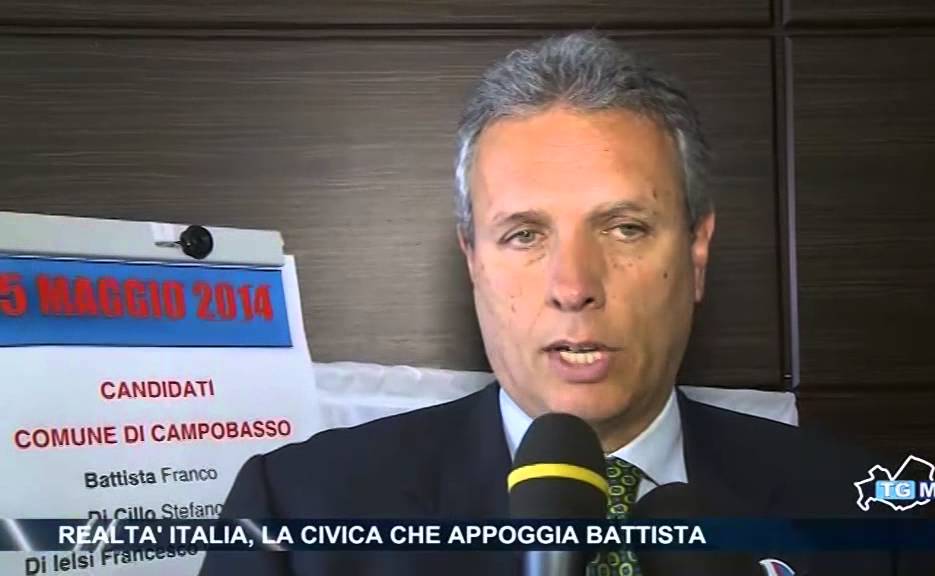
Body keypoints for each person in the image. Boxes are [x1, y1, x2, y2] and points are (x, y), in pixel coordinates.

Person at [199, 31, 885, 576]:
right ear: (473, 260)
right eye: (525, 235)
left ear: (696, 252)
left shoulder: (868, 518)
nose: (573, 285)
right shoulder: (293, 515)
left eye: (625, 228)